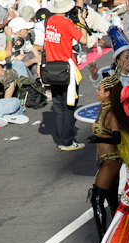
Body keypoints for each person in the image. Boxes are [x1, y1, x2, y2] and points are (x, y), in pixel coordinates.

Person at [88, 69, 129, 243]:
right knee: (111, 200)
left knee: (96, 199)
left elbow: (116, 138)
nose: (97, 92)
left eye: (100, 89)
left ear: (108, 93)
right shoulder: (105, 109)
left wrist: (98, 140)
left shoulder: (111, 114)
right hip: (105, 161)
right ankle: (126, 235)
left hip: (111, 161)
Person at [45, 0, 88, 151]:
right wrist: (81, 22)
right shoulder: (66, 23)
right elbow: (84, 40)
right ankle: (67, 141)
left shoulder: (49, 20)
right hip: (67, 69)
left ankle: (61, 139)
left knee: (58, 106)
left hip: (51, 68)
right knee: (70, 105)